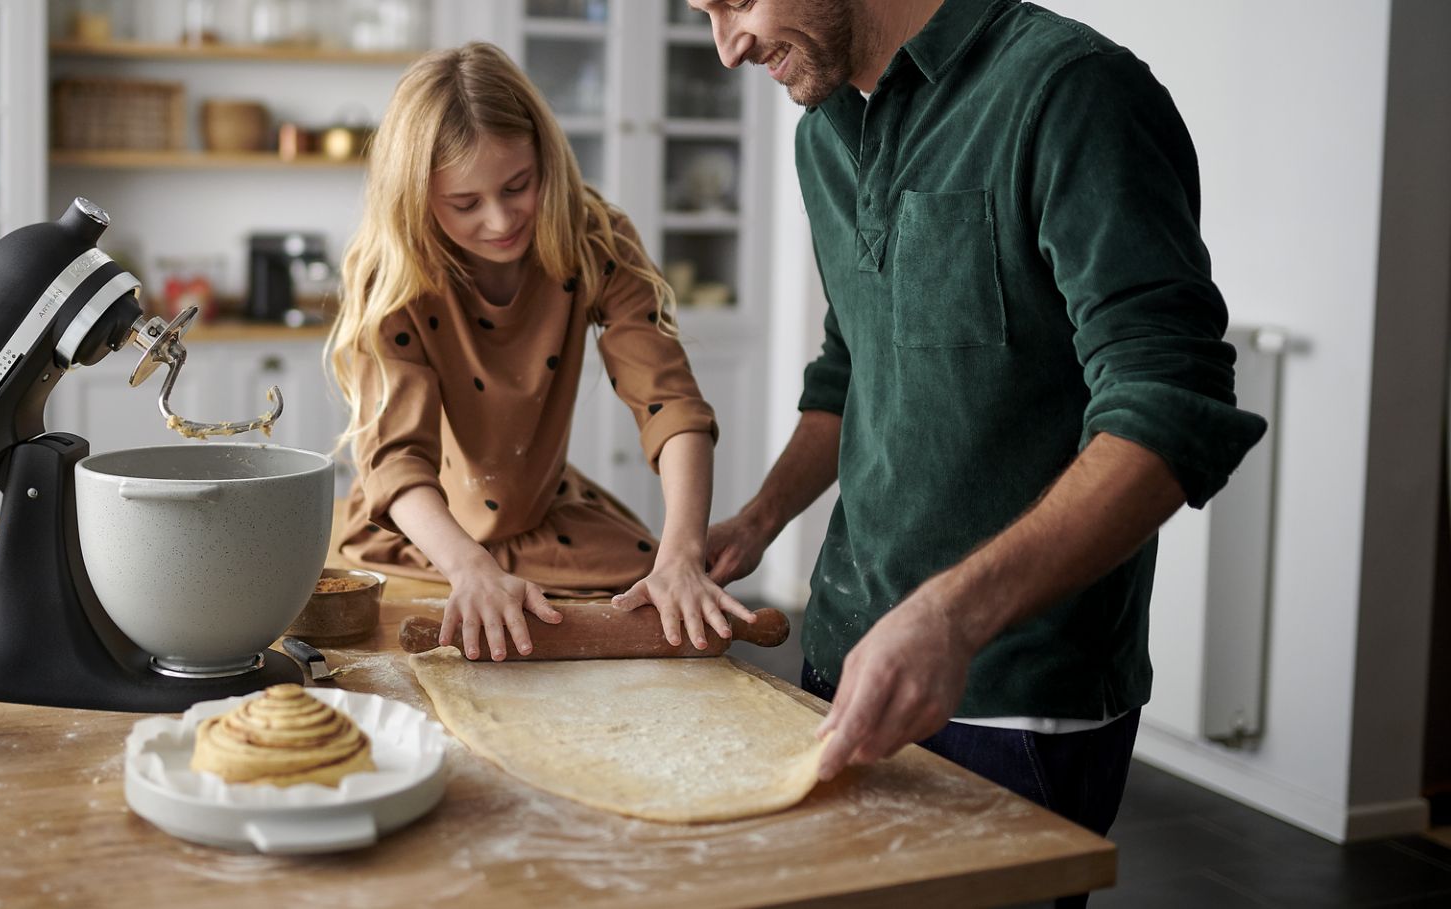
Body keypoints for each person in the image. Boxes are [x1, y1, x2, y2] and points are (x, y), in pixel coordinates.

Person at [690, 0, 1268, 888]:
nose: (727, 48)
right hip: (843, 652)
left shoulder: (1069, 93)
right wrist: (756, 520)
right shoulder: (824, 129)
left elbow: (1169, 401)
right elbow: (854, 362)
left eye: (735, 2)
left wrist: (951, 616)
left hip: (1015, 698)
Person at [328, 42, 754, 663]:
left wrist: (683, 557)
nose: (500, 220)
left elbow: (670, 402)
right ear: (415, 198)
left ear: (545, 159)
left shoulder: (595, 238)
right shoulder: (392, 274)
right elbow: (396, 461)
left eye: (518, 186)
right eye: (465, 204)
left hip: (546, 518)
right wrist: (469, 572)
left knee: (673, 622)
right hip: (422, 532)